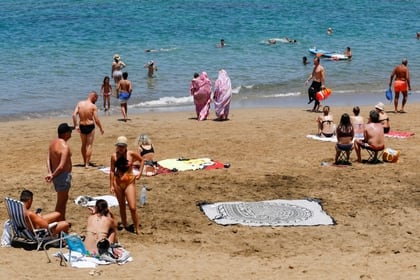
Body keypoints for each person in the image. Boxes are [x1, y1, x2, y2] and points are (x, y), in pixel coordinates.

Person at [110, 136, 144, 234]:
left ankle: (137, 228)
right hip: (118, 182)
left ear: (126, 146)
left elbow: (142, 160)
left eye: (122, 146)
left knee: (132, 207)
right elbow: (112, 171)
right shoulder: (114, 156)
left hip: (129, 181)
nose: (120, 148)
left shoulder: (131, 154)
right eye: (119, 146)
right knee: (121, 206)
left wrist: (140, 174)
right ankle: (124, 225)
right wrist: (111, 185)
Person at [45, 123, 74, 221]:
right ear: (66, 133)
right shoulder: (64, 146)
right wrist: (52, 175)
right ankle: (59, 222)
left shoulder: (53, 143)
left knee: (62, 200)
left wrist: (50, 172)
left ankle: (61, 220)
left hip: (56, 175)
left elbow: (48, 157)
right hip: (62, 176)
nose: (71, 134)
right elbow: (61, 166)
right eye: (70, 132)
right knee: (62, 202)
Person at [72, 91, 105, 168]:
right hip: (90, 126)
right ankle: (87, 164)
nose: (95, 101)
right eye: (96, 99)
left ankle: (84, 162)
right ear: (94, 97)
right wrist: (101, 128)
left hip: (82, 126)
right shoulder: (93, 106)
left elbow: (74, 115)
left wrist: (76, 126)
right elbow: (96, 120)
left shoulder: (80, 103)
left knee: (83, 145)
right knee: (89, 145)